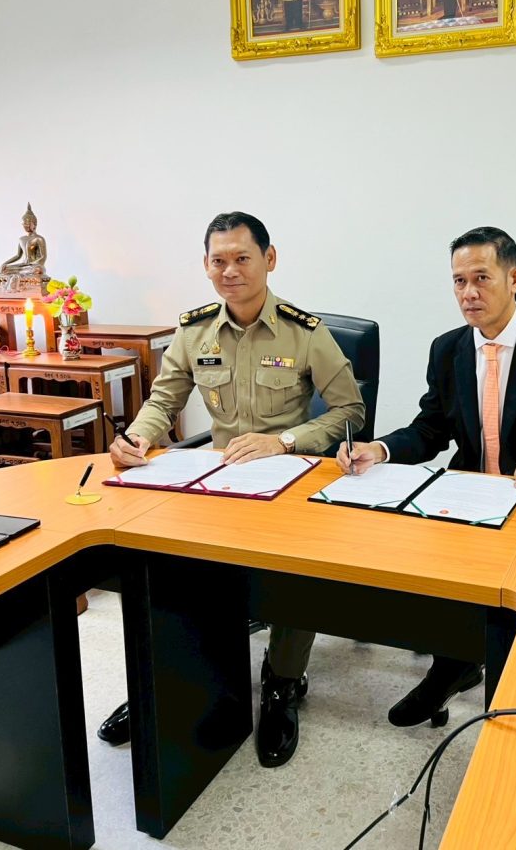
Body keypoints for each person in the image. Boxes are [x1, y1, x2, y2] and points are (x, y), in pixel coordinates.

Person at [100, 211, 364, 767]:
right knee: (162, 561)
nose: (230, 271)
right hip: (217, 483)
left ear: (269, 259)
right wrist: (137, 437)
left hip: (289, 480)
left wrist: (284, 440)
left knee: (295, 570)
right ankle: (169, 679)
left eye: (242, 258)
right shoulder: (194, 331)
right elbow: (164, 399)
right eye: (218, 261)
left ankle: (283, 682)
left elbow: (349, 411)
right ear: (205, 266)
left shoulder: (304, 332)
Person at [337, 226, 516, 727]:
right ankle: (454, 664)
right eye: (459, 281)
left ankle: (507, 690)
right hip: (471, 497)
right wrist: (380, 449)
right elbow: (431, 428)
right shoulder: (448, 349)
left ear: (515, 279)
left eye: (482, 278)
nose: (469, 292)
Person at [0, 203, 49, 279]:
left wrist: (32, 264)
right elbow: (18, 255)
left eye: (28, 223)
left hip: (33, 266)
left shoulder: (39, 239)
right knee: (3, 270)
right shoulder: (21, 239)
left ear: (34, 224)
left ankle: (21, 275)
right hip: (23, 266)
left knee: (37, 270)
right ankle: (20, 275)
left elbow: (43, 257)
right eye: (24, 223)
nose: (26, 225)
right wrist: (5, 263)